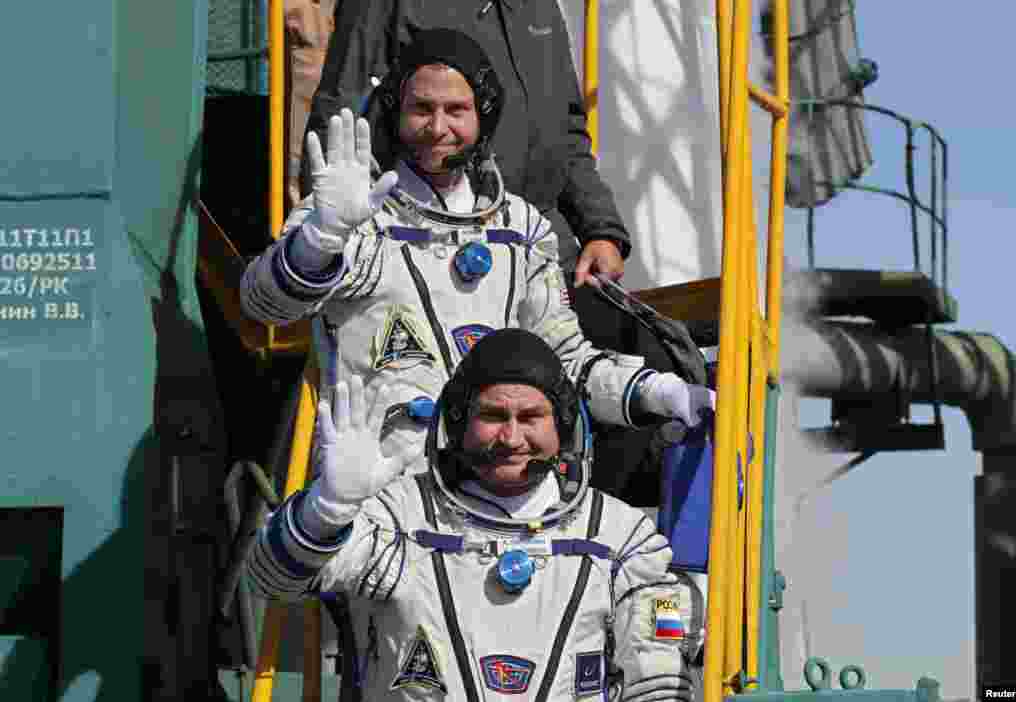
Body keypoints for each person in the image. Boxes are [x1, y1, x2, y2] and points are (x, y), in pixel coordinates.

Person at [241, 29, 714, 464]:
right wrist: (321, 239)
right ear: (395, 114)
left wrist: (660, 392)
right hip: (380, 492)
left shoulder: (521, 230)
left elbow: (565, 364)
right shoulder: (355, 213)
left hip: (496, 498)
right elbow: (264, 305)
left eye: (456, 110)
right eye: (421, 109)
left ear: (483, 115)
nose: (438, 127)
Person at [247, 328, 697, 701]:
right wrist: (327, 509)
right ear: (459, 422)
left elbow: (657, 677)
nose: (512, 437)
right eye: (493, 415)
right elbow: (270, 579)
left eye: (531, 416)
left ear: (562, 425)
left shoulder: (620, 538)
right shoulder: (401, 519)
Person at [301, 0, 629, 288]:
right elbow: (341, 117)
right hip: (439, 250)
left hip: (546, 248)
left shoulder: (540, 6)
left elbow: (567, 128)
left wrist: (601, 231)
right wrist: (327, 246)